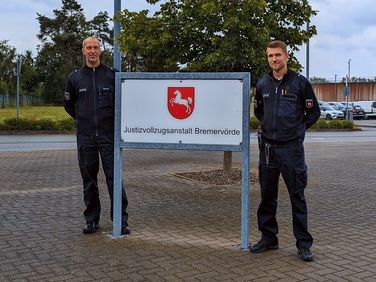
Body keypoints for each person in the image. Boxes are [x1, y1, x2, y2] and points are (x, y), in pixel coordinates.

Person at [250, 40, 320, 262]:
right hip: (268, 149)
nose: (274, 59)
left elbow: (313, 113)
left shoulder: (300, 83)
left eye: (278, 55)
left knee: (296, 196)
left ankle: (303, 244)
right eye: (270, 56)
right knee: (267, 197)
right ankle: (269, 238)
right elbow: (259, 111)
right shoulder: (262, 84)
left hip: (292, 150)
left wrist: (296, 131)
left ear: (286, 57)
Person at [64, 36, 130, 235]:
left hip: (109, 137)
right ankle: (91, 219)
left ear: (100, 51)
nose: (92, 51)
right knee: (89, 180)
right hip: (86, 138)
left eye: (95, 47)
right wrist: (83, 120)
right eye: (88, 47)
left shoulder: (112, 75)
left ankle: (120, 221)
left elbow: (122, 103)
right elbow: (69, 105)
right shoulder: (75, 78)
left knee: (114, 179)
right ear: (83, 51)